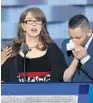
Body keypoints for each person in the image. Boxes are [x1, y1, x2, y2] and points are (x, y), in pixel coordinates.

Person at [1, 7, 68, 82]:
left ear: (42, 26)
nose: (34, 24)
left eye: (38, 21)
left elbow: (61, 80)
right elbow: (4, 82)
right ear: (23, 26)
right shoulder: (11, 51)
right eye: (29, 21)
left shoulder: (52, 49)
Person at [62, 14, 93, 82]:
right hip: (72, 90)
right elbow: (65, 78)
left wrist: (85, 59)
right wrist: (76, 59)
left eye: (78, 38)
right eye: (71, 37)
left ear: (89, 32)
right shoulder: (66, 44)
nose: (74, 41)